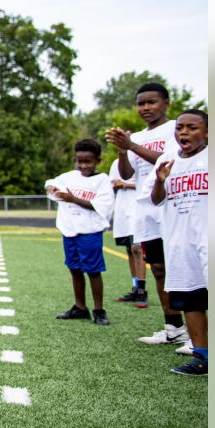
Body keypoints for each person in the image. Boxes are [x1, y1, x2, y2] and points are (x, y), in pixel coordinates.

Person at [105, 83, 183, 345]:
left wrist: (131, 145)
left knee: (184, 267)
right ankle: (173, 327)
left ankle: (200, 333)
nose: (145, 108)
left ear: (166, 103)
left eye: (152, 102)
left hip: (173, 204)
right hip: (145, 208)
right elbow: (127, 174)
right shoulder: (136, 137)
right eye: (141, 103)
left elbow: (170, 161)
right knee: (158, 268)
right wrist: (123, 150)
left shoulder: (176, 128)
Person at [149, 110, 209, 376]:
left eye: (192, 127)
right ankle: (203, 357)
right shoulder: (167, 160)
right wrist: (160, 182)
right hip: (179, 242)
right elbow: (156, 199)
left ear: (207, 132)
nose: (183, 132)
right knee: (190, 299)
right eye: (180, 128)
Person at [45, 139, 115, 325]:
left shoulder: (102, 180)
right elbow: (51, 184)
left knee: (92, 271)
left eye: (88, 161)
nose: (83, 165)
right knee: (74, 269)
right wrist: (52, 188)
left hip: (90, 232)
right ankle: (80, 307)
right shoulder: (69, 177)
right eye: (79, 161)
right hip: (70, 231)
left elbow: (100, 206)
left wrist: (72, 198)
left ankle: (99, 310)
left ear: (97, 161)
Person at [109, 162, 149, 307]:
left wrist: (126, 184)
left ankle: (142, 291)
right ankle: (135, 286)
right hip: (122, 206)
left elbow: (148, 184)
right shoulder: (116, 163)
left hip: (137, 206)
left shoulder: (141, 159)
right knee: (128, 249)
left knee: (137, 248)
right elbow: (112, 183)